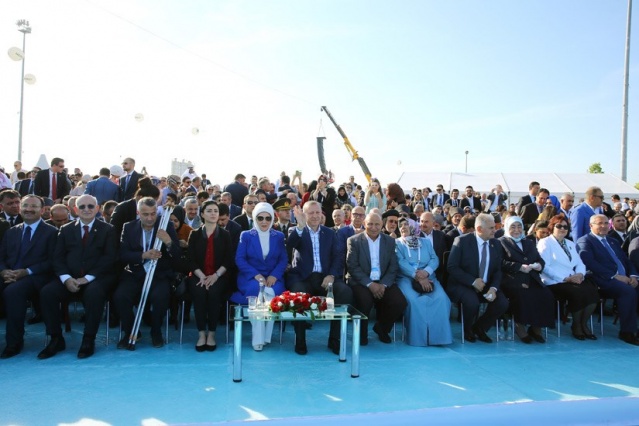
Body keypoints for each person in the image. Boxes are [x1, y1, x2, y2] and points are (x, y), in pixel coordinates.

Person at [38, 195, 117, 359]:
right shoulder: (66, 229)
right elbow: (57, 257)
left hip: (96, 278)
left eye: (90, 206)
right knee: (47, 293)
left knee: (94, 294)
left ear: (97, 209)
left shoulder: (108, 230)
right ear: (75, 209)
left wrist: (87, 278)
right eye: (82, 207)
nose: (86, 209)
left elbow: (109, 258)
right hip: (70, 278)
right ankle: (56, 338)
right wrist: (66, 278)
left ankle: (89, 339)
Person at [114, 197, 180, 350]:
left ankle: (155, 331)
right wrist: (143, 255)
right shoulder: (129, 227)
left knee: (161, 296)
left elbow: (177, 256)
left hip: (159, 274)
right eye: (145, 214)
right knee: (120, 296)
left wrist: (169, 241)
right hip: (135, 273)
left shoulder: (166, 226)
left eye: (153, 214)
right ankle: (130, 332)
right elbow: (122, 255)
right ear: (138, 213)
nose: (150, 218)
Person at [287, 201, 352, 355]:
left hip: (325, 277)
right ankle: (300, 340)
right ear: (304, 214)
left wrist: (331, 275)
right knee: (298, 294)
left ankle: (334, 339)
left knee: (344, 292)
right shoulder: (296, 230)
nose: (315, 216)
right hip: (304, 277)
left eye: (318, 212)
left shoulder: (329, 233)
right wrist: (300, 226)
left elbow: (338, 256)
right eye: (311, 213)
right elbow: (290, 245)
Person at [0, 195, 57, 358]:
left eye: (34, 206)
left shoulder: (51, 232)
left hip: (37, 277)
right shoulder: (12, 231)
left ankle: (14, 342)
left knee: (13, 292)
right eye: (25, 205)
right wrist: (4, 271)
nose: (28, 209)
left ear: (43, 210)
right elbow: (1, 257)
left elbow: (52, 261)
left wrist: (26, 272)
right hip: (10, 274)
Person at [231, 202, 287, 351]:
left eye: (268, 218)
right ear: (255, 218)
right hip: (251, 278)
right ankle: (258, 338)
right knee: (257, 296)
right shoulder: (246, 235)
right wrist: (255, 275)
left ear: (272, 219)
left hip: (273, 279)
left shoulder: (279, 236)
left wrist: (274, 275)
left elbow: (283, 259)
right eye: (260, 218)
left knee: (271, 296)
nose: (264, 221)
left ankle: (266, 336)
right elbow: (240, 259)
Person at [577, 214, 639, 345]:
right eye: (600, 223)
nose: (604, 226)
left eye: (606, 223)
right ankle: (627, 332)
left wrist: (633, 276)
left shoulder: (613, 241)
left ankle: (633, 326)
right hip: (602, 280)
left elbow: (626, 261)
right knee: (627, 292)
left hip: (624, 278)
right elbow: (589, 263)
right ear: (591, 225)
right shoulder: (585, 241)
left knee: (633, 288)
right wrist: (615, 276)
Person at [446, 213, 509, 343]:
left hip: (486, 284)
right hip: (463, 284)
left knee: (502, 303)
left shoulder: (496, 244)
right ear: (480, 229)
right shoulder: (462, 241)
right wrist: (472, 281)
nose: (495, 230)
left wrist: (493, 288)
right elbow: (452, 267)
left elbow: (498, 270)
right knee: (472, 302)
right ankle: (468, 330)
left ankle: (480, 328)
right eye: (491, 228)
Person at [347, 212, 406, 345]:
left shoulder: (390, 241)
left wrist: (383, 285)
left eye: (377, 224)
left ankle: (382, 328)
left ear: (382, 225)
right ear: (364, 224)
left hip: (383, 280)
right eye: (370, 224)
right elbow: (353, 267)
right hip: (361, 281)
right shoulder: (354, 241)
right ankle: (361, 335)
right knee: (365, 302)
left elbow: (393, 266)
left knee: (399, 302)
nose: (373, 227)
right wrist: (370, 284)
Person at [537, 215, 599, 340]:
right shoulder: (545, 242)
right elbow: (544, 266)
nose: (562, 229)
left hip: (574, 279)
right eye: (559, 226)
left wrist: (580, 274)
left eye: (565, 227)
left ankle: (583, 323)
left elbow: (579, 263)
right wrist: (565, 279)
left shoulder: (570, 243)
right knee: (577, 293)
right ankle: (576, 325)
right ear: (552, 227)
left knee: (592, 291)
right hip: (555, 281)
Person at [395, 218, 452, 346]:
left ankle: (439, 338)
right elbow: (400, 262)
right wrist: (417, 276)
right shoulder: (397, 243)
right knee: (414, 302)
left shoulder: (425, 242)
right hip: (407, 278)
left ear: (414, 228)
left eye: (406, 224)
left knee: (442, 299)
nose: (403, 227)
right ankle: (418, 339)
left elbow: (434, 259)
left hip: (429, 277)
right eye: (401, 225)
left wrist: (426, 272)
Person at [499, 216, 554, 343]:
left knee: (546, 295)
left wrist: (539, 265)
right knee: (523, 294)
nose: (516, 230)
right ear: (507, 228)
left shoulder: (528, 242)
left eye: (519, 226)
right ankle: (520, 326)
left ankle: (536, 328)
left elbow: (538, 259)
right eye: (513, 227)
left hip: (531, 277)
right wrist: (519, 267)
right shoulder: (501, 242)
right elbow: (499, 262)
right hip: (512, 278)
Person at [186, 201, 232, 352]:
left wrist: (215, 276)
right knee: (199, 293)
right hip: (198, 275)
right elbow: (190, 259)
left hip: (219, 276)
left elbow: (228, 259)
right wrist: (202, 276)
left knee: (213, 292)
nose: (213, 213)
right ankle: (201, 334)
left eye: (216, 211)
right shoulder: (194, 234)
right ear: (202, 214)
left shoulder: (225, 235)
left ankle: (211, 333)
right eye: (209, 210)